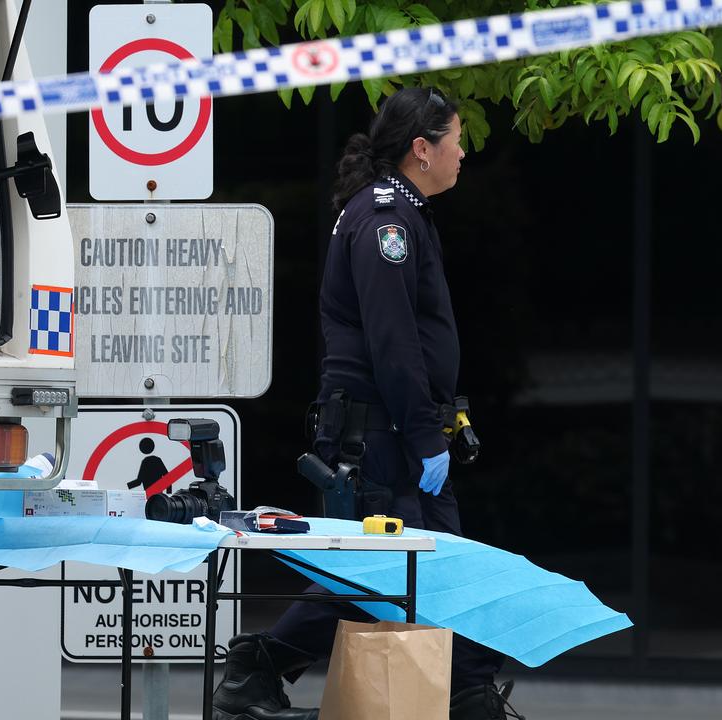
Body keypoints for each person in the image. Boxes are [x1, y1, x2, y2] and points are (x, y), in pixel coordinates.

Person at [211, 88, 524, 720]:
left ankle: (466, 692)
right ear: (421, 149)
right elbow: (392, 340)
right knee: (390, 568)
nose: (463, 153)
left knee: (409, 567)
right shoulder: (385, 220)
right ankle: (263, 666)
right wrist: (423, 436)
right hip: (380, 433)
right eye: (455, 139)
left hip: (391, 429)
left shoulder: (400, 214)